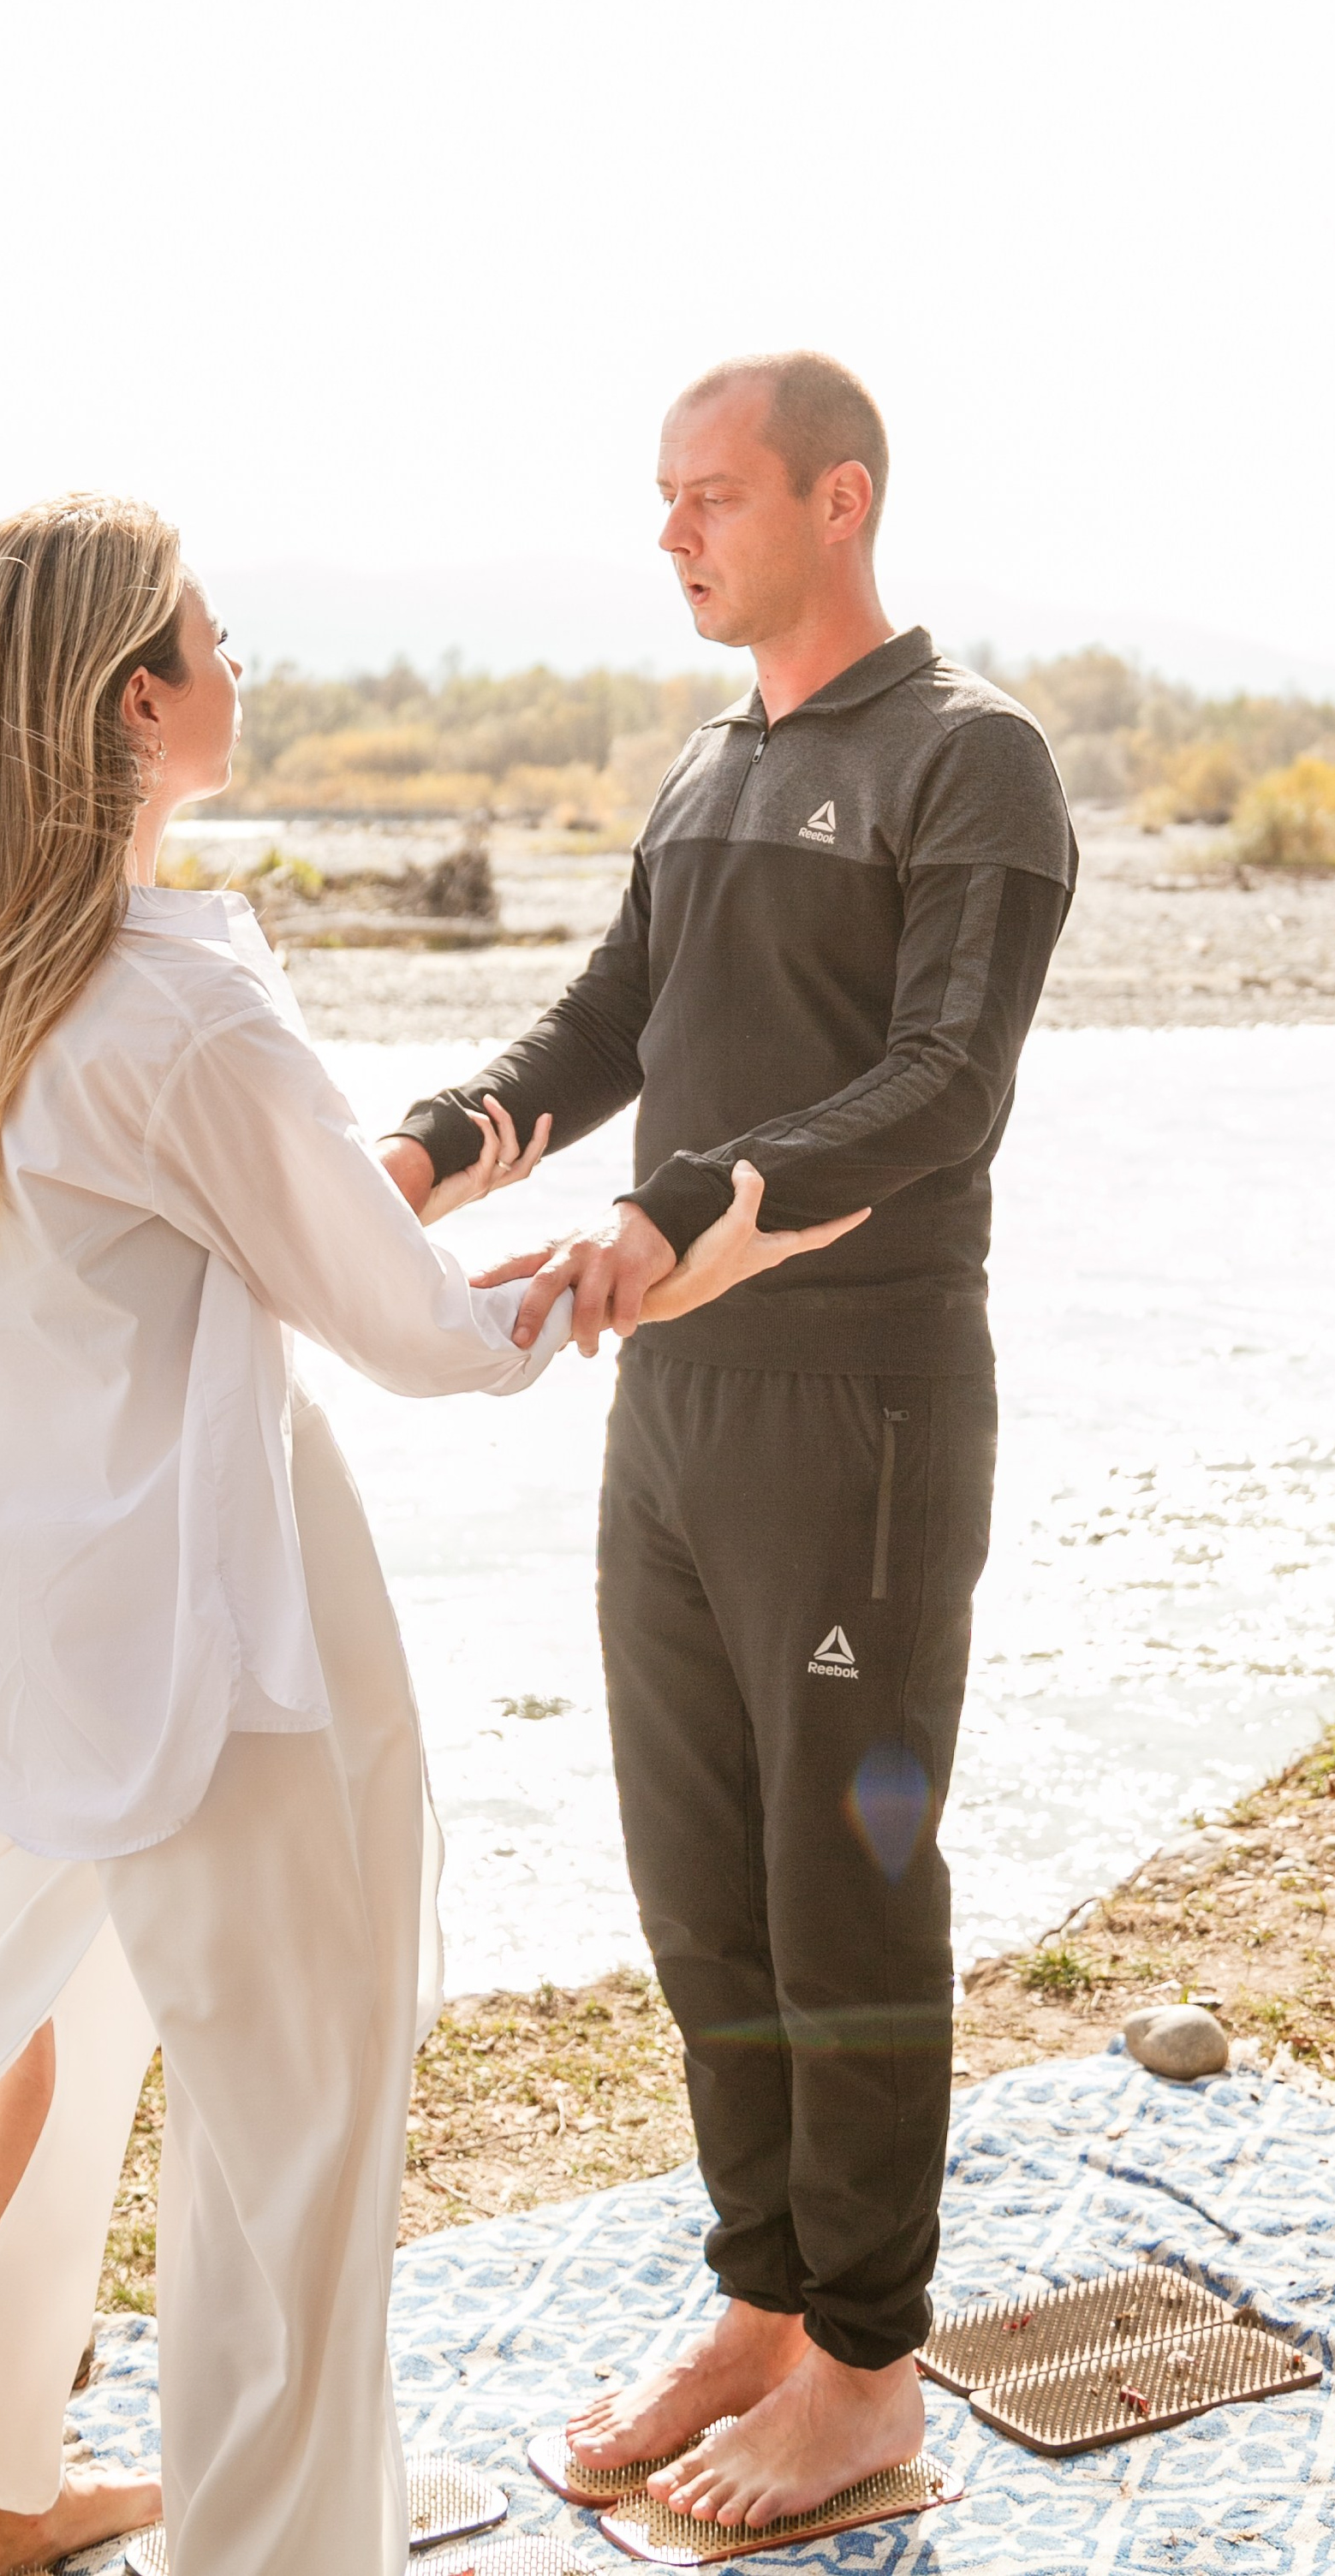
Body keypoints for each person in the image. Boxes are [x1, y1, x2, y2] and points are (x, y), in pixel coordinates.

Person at [0, 494, 854, 2576]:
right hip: (223, 1634)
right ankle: (268, 2549)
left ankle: (2, 2501)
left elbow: (72, 1277)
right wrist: (659, 1254)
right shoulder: (175, 1004)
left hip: (16, 1631)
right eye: (216, 639)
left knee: (47, 2071)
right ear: (136, 700)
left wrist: (381, 1203)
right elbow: (408, 1332)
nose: (243, 668)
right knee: (294, 2138)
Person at [380, 354, 1078, 2530]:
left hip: (857, 1414)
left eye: (710, 496)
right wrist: (424, 1156)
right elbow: (613, 1025)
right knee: (701, 1881)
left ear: (836, 500)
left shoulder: (971, 762)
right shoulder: (704, 766)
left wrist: (679, 1205)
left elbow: (946, 1083)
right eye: (662, 497)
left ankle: (870, 2371)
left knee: (844, 1870)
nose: (670, 532)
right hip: (671, 1412)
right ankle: (763, 2307)